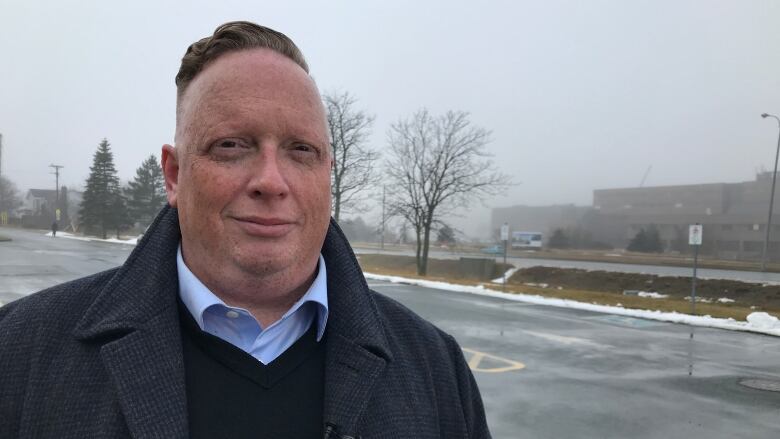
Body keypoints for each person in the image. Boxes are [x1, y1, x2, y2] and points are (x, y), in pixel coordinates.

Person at [0, 21, 490, 438]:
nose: (271, 182)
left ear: (328, 175)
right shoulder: (19, 352)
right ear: (173, 175)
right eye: (232, 145)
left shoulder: (434, 367)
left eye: (302, 150)